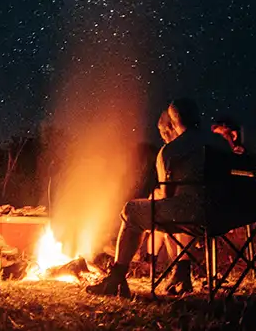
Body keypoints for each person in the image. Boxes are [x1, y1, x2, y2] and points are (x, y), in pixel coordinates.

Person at [87, 98, 220, 298]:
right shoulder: (220, 143)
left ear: (174, 122)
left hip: (192, 214)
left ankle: (116, 278)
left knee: (132, 210)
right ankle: (181, 273)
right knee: (175, 209)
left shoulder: (171, 151)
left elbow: (166, 199)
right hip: (221, 214)